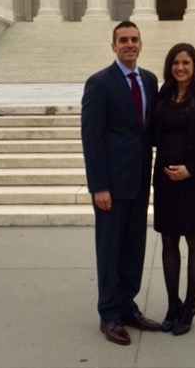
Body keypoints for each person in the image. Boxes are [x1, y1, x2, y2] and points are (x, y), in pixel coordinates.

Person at [81, 21, 161, 346]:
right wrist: (99, 186)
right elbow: (92, 138)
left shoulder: (150, 81)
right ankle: (109, 314)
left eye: (134, 39)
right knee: (110, 248)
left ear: (141, 44)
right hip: (111, 185)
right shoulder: (99, 83)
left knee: (133, 247)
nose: (129, 44)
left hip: (140, 180)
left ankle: (127, 306)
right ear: (113, 46)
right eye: (123, 40)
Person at [152, 43, 195, 336]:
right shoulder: (163, 96)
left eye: (185, 62)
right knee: (169, 242)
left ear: (194, 66)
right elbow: (154, 135)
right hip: (166, 180)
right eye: (175, 63)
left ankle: (190, 306)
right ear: (170, 67)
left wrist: (190, 169)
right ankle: (173, 304)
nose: (180, 67)